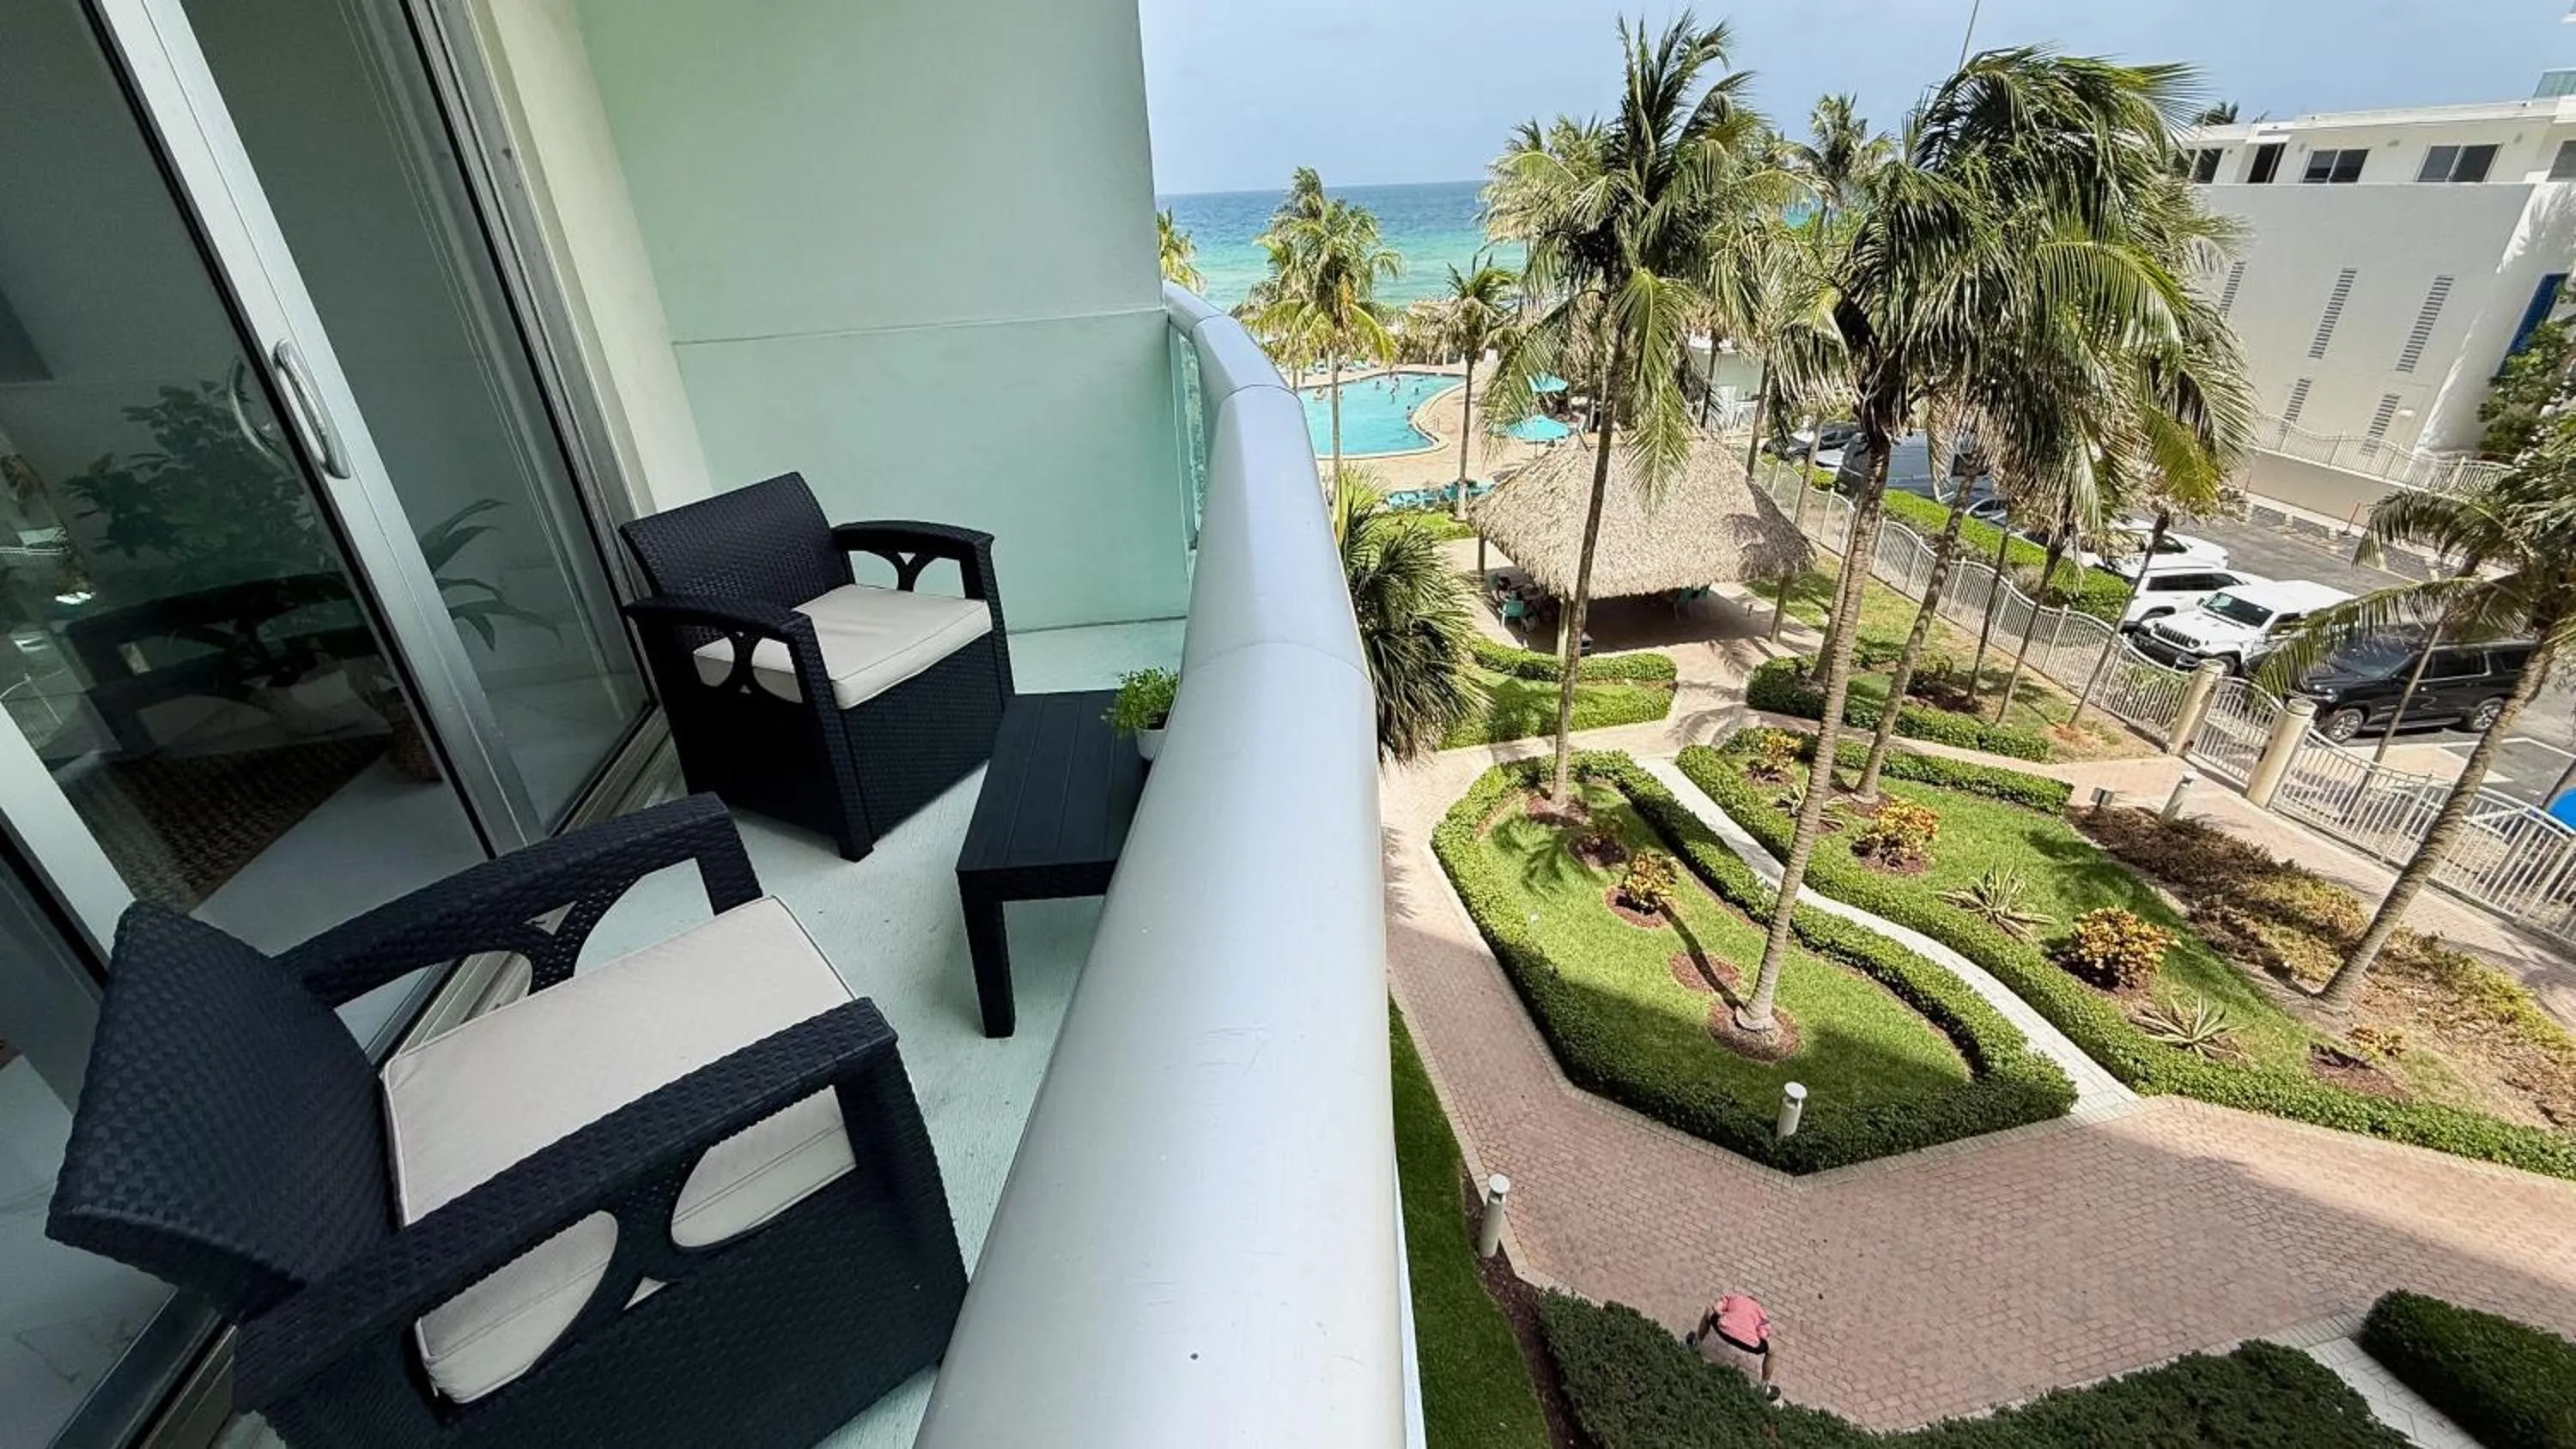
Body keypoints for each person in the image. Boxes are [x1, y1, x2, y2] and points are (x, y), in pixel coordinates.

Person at [1685, 1293, 1779, 1402]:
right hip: (1750, 1342)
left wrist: (1721, 1314)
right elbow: (1764, 1331)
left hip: (1725, 1329)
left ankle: (1695, 1343)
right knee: (1772, 1351)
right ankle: (1764, 1387)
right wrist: (1760, 1337)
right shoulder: (1760, 1311)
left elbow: (1717, 1307)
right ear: (1756, 1302)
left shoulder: (1733, 1297)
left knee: (1708, 1311)